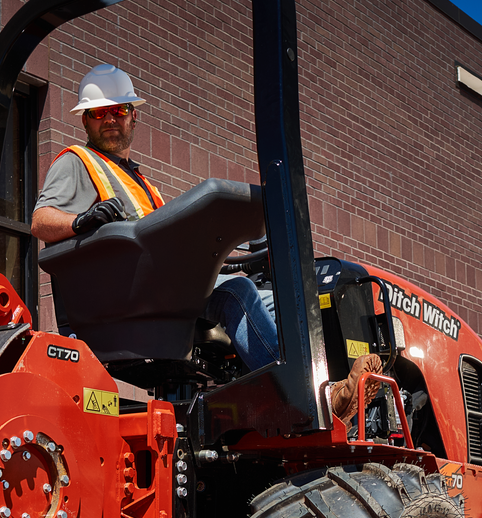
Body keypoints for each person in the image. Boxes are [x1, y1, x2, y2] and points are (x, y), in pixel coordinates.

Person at [32, 64, 380, 416]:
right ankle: (308, 398)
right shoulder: (77, 162)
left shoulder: (138, 180)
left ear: (133, 116)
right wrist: (81, 220)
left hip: (156, 287)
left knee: (275, 299)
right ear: (85, 121)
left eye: (118, 110)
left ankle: (308, 393)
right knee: (238, 293)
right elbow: (40, 221)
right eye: (98, 113)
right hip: (126, 301)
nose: (110, 120)